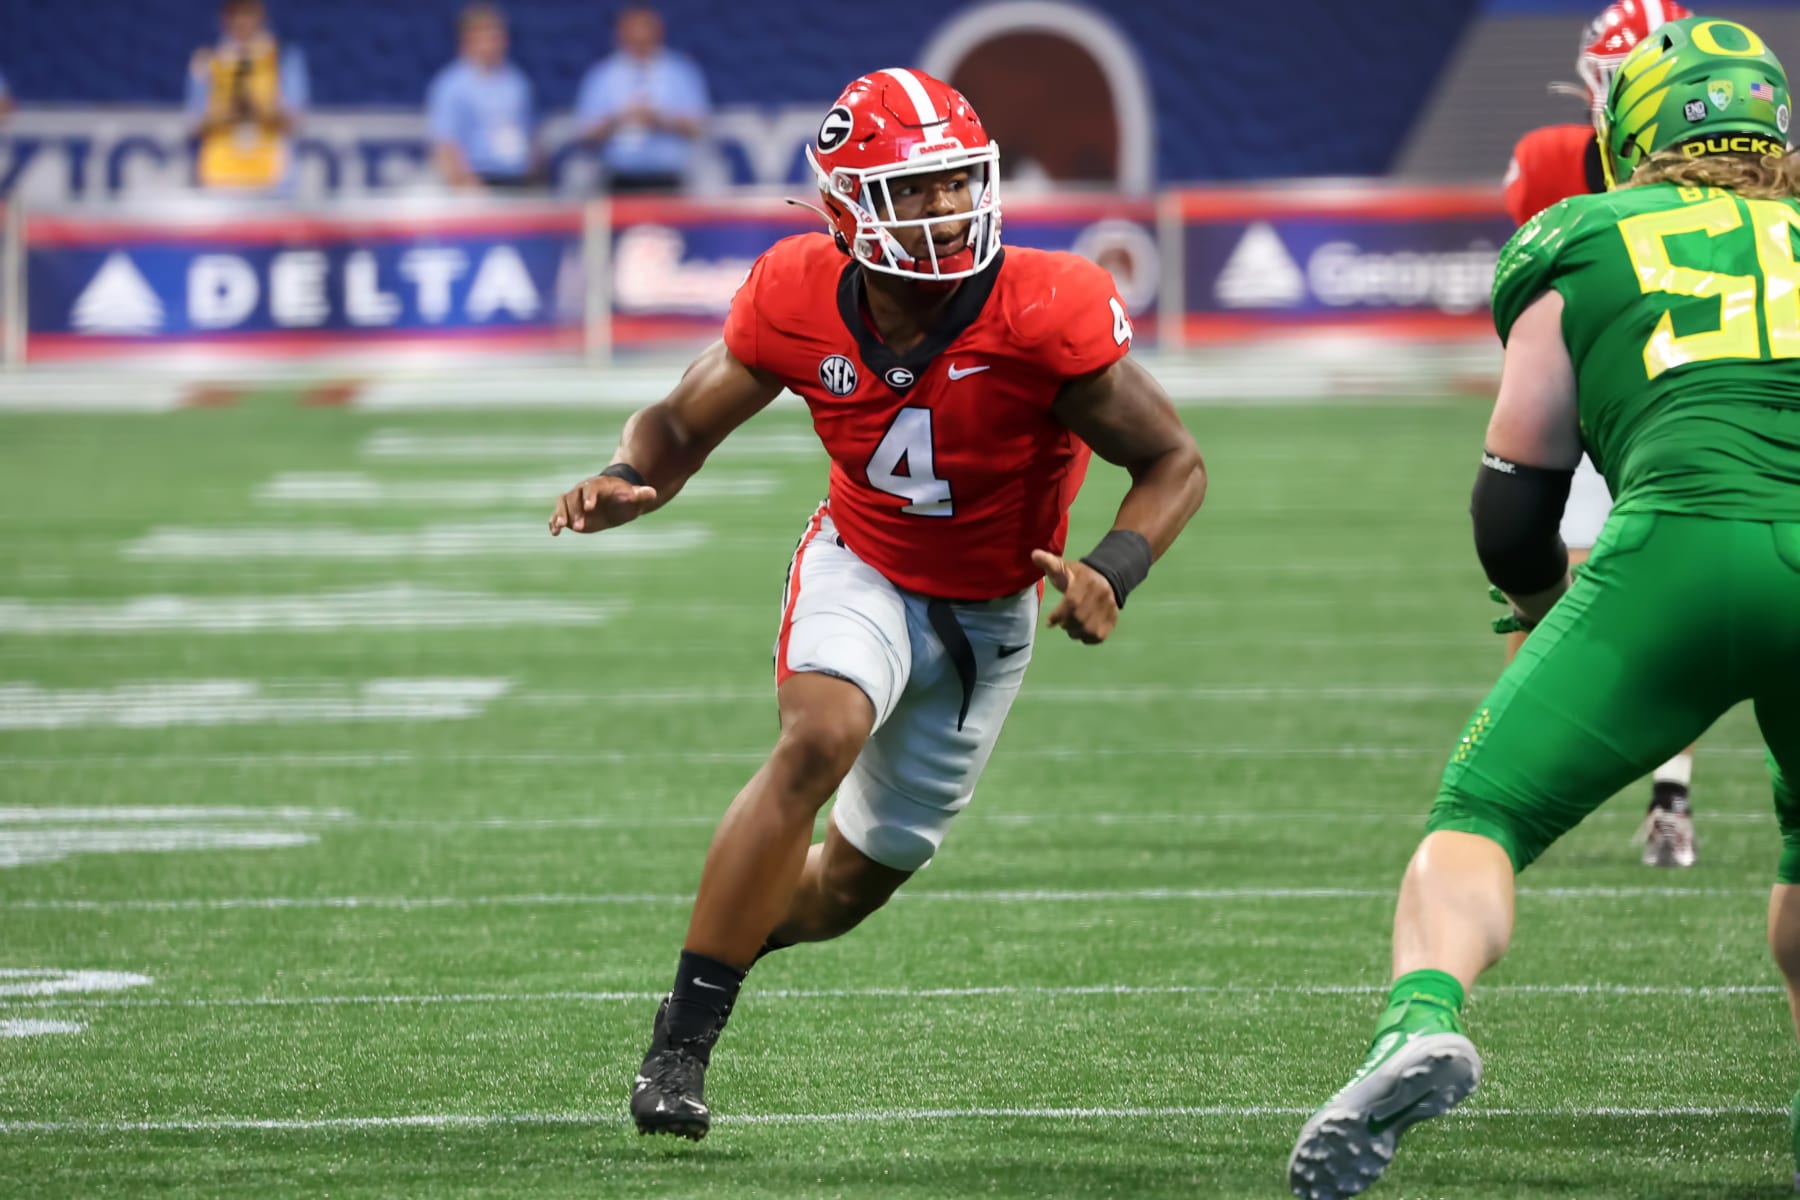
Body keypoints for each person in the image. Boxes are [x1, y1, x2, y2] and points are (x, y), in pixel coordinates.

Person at [548, 68, 1206, 1139]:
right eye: (919, 191)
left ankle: (713, 953)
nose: (949, 211)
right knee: (821, 737)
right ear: (849, 208)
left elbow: (1174, 460)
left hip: (993, 614)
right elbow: (680, 420)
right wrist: (634, 479)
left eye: (958, 184)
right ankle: (681, 1053)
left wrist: (1113, 567)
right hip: (863, 561)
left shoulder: (1045, 305)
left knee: (844, 891)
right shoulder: (798, 292)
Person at [1289, 18, 1800, 1199]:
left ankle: (1416, 1022)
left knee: (1481, 812)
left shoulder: (1578, 236)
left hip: (1675, 555)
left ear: (1631, 127)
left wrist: (1537, 609)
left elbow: (1513, 503)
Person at [1500, 0, 1700, 867]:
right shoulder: (1550, 164)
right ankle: (1516, 771)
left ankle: (1670, 796)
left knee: (1683, 596)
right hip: (1583, 398)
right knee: (1535, 584)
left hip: (1680, 403)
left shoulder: (1727, 184)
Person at [574, 6, 710, 194]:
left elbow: (698, 128)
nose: (639, 39)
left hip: (671, 178)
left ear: (657, 32)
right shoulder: (601, 75)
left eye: (645, 30)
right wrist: (618, 120)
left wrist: (660, 120)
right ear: (620, 34)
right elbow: (586, 135)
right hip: (617, 178)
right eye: (632, 32)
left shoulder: (681, 72)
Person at [186, 0, 310, 193]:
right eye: (237, 15)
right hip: (219, 175)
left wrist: (259, 108)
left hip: (273, 178)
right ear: (226, 19)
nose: (243, 22)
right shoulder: (207, 60)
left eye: (249, 14)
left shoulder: (283, 57)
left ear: (261, 16)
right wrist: (228, 113)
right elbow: (193, 123)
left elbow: (296, 121)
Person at [426, 5, 537, 191]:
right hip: (477, 181)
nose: (493, 44)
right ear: (468, 41)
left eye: (497, 37)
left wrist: (533, 176)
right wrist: (465, 184)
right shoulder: (452, 85)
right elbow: (444, 143)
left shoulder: (517, 82)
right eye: (486, 38)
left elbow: (530, 134)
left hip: (516, 179)